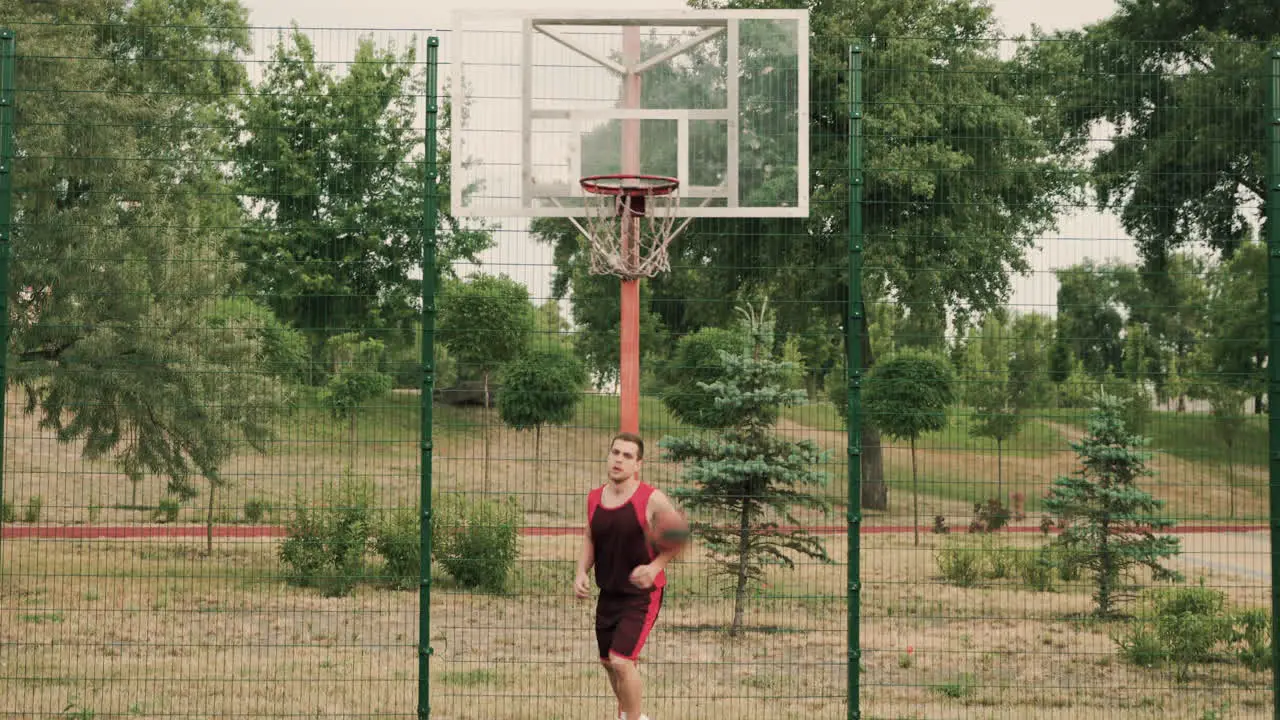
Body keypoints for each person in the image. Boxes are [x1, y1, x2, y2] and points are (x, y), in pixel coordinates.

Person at [574, 431, 681, 720]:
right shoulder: (595, 498)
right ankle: (628, 715)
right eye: (615, 452)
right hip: (609, 592)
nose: (619, 459)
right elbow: (590, 537)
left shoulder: (651, 498)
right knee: (608, 662)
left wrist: (655, 567)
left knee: (622, 661)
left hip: (641, 596)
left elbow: (680, 533)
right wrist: (580, 571)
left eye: (627, 455)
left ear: (638, 465)